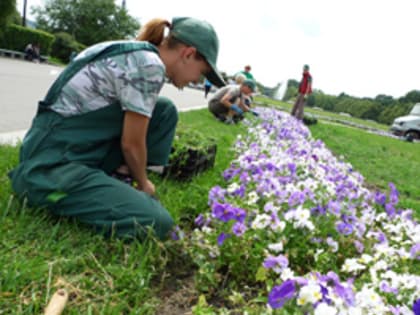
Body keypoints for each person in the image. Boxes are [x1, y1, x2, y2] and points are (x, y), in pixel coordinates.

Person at [8, 17, 225, 241]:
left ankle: (118, 176)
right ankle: (47, 191)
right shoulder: (150, 66)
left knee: (163, 110)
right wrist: (144, 183)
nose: (198, 80)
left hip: (73, 146)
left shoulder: (141, 54)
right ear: (188, 54)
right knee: (157, 222)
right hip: (51, 166)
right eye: (202, 72)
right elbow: (131, 144)